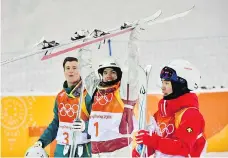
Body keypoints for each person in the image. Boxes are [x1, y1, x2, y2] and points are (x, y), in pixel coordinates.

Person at [78, 26, 143, 157]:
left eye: (113, 72)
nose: (109, 75)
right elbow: (85, 69)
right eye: (105, 72)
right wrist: (85, 44)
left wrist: (133, 39)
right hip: (97, 150)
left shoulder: (125, 92)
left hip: (118, 150)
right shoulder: (96, 89)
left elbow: (132, 67)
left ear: (119, 74)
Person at [132, 59, 207, 157]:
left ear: (180, 84)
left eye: (167, 83)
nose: (162, 87)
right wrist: (141, 150)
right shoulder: (160, 114)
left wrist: (152, 140)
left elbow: (183, 148)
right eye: (162, 82)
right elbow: (156, 144)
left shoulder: (191, 115)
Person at [25, 57, 92, 157]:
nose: (71, 71)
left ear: (79, 71)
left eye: (74, 68)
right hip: (62, 151)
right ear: (64, 71)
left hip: (82, 151)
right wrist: (41, 141)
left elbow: (99, 124)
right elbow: (56, 123)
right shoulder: (60, 96)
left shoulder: (87, 96)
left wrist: (85, 126)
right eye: (68, 68)